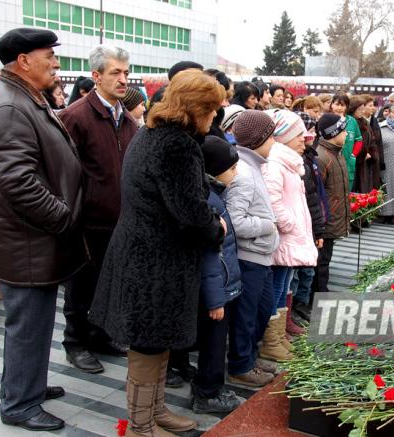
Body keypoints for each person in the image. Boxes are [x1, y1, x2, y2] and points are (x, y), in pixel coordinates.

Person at [88, 69, 226, 437]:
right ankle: (140, 426)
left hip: (143, 254)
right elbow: (190, 213)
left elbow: (167, 187)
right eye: (211, 110)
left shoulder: (152, 131)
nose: (213, 118)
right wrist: (217, 228)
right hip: (155, 263)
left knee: (155, 338)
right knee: (148, 343)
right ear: (196, 108)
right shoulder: (176, 143)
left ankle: (154, 410)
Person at [0, 28, 87, 431]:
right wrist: (62, 217)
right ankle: (20, 404)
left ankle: (28, 387)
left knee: (35, 324)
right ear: (24, 60)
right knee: (27, 326)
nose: (56, 63)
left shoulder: (20, 96)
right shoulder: (10, 106)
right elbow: (17, 183)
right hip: (29, 242)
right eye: (49, 55)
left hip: (34, 240)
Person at [58, 45, 138, 374]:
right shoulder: (75, 116)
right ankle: (75, 343)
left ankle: (101, 335)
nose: (123, 79)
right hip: (88, 221)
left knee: (110, 286)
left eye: (126, 73)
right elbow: (63, 174)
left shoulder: (128, 119)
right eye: (115, 73)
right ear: (96, 76)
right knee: (82, 288)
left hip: (119, 219)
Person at [226, 110, 279, 386]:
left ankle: (250, 356)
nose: (274, 142)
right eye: (272, 136)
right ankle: (240, 364)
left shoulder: (254, 166)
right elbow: (235, 221)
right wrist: (267, 226)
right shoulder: (244, 173)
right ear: (259, 139)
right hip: (250, 258)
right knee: (246, 315)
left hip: (262, 256)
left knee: (263, 309)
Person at [261, 110, 318, 361]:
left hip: (291, 237)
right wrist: (291, 224)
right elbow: (273, 201)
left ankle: (279, 335)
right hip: (284, 236)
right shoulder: (276, 164)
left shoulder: (290, 163)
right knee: (276, 287)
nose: (303, 140)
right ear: (283, 138)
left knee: (283, 285)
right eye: (297, 136)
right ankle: (270, 341)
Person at [193, 136, 242, 414]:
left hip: (223, 288)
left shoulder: (215, 195)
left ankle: (209, 386)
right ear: (214, 169)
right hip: (217, 293)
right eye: (232, 168)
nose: (236, 173)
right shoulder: (211, 202)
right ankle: (208, 393)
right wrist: (215, 300)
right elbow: (211, 258)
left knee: (215, 343)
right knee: (213, 345)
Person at [290, 118, 325, 324]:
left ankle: (301, 302)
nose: (305, 143)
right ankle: (291, 307)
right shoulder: (289, 164)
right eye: (301, 139)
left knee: (308, 269)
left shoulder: (307, 161)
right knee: (294, 274)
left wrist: (318, 229)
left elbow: (313, 199)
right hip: (295, 226)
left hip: (309, 224)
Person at [313, 113, 351, 292]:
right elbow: (316, 194)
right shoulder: (322, 158)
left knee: (325, 259)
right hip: (325, 221)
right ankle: (319, 295)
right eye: (343, 131)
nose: (346, 135)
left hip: (332, 219)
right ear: (332, 133)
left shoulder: (336, 154)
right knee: (321, 262)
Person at [348, 96, 380, 195]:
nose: (362, 111)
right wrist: (362, 154)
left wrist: (371, 153)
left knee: (364, 194)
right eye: (360, 109)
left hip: (366, 164)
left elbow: (372, 141)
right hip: (354, 163)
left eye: (363, 108)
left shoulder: (365, 122)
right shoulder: (349, 122)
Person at [331, 92, 363, 191]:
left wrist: (353, 154)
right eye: (337, 104)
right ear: (332, 104)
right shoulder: (327, 120)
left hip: (348, 163)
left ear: (347, 107)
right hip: (332, 162)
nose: (339, 108)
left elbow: (358, 139)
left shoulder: (352, 121)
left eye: (342, 105)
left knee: (347, 192)